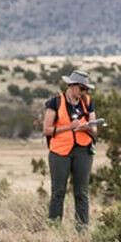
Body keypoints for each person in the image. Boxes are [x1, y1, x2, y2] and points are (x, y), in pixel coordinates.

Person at [43, 70, 99, 227]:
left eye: (86, 89)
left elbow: (94, 129)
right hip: (60, 152)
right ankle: (54, 227)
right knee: (58, 192)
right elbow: (46, 130)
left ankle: (81, 229)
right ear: (72, 86)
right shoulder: (55, 102)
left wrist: (86, 128)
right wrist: (69, 127)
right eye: (82, 89)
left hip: (83, 150)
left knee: (82, 192)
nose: (84, 92)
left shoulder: (87, 102)